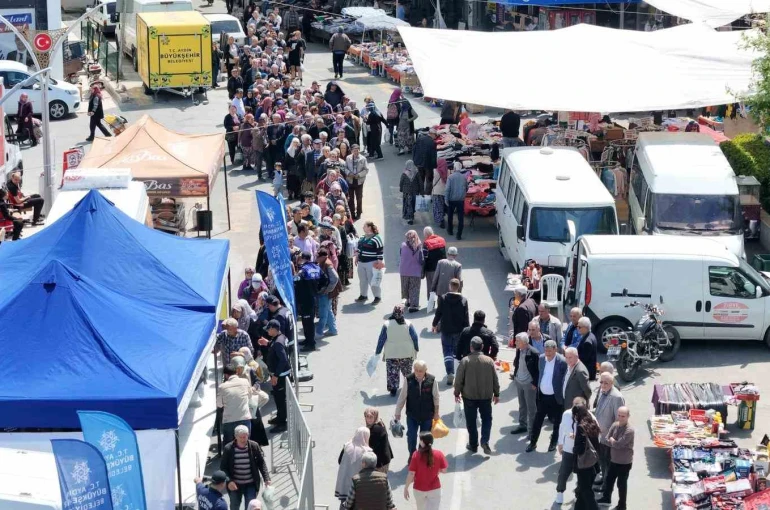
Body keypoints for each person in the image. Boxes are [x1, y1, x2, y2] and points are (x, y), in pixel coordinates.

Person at [454, 337, 500, 455]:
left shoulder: (465, 361)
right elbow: (495, 378)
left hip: (469, 396)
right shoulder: (489, 361)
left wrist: (456, 393)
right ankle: (485, 441)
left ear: (471, 347)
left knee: (471, 421)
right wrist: (497, 393)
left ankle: (473, 445)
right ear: (482, 347)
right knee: (487, 419)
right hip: (486, 396)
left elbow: (458, 380)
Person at [526, 340, 568, 453]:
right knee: (538, 421)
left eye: (550, 351)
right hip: (543, 396)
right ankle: (533, 443)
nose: (547, 353)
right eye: (546, 351)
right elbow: (539, 373)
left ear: (555, 349)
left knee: (557, 422)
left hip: (556, 397)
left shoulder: (562, 361)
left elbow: (564, 379)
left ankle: (553, 442)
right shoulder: (541, 358)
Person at [395, 360, 440, 457]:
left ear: (425, 370)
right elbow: (402, 397)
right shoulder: (408, 380)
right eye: (416, 370)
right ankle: (412, 456)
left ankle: (422, 457)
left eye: (421, 371)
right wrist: (397, 412)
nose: (418, 373)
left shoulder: (432, 380)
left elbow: (436, 398)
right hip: (412, 415)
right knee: (411, 437)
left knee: (425, 439)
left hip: (427, 416)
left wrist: (436, 413)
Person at [220, 425, 271, 510]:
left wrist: (266, 478)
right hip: (235, 484)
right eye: (240, 437)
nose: (243, 439)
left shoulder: (254, 446)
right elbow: (223, 467)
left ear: (248, 435)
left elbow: (261, 463)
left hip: (251, 484)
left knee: (251, 507)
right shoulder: (228, 448)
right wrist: (229, 481)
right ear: (235, 436)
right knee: (234, 507)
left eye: (245, 437)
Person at [376, 303, 420, 395]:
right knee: (407, 372)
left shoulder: (387, 324)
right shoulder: (408, 324)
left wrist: (378, 351)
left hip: (391, 353)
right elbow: (415, 337)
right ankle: (410, 387)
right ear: (402, 313)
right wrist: (416, 348)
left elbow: (381, 339)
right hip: (407, 353)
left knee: (392, 372)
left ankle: (393, 388)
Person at [432, 278, 469, 385]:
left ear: (449, 286)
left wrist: (434, 324)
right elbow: (466, 317)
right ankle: (457, 373)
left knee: (447, 350)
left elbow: (438, 313)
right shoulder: (463, 300)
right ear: (458, 287)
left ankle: (450, 372)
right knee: (456, 351)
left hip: (446, 330)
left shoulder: (443, 298)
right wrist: (467, 330)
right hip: (459, 330)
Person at [593, 372, 625, 491]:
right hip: (600, 435)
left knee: (608, 463)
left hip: (608, 437)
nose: (603, 385)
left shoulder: (617, 397)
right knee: (602, 461)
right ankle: (604, 479)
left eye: (606, 383)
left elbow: (619, 421)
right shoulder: (602, 392)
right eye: (601, 382)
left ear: (612, 383)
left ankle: (607, 487)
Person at [597, 407, 634, 510]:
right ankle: (606, 499)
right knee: (609, 480)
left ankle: (622, 505)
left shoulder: (629, 430)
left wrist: (613, 441)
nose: (620, 418)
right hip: (614, 460)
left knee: (621, 485)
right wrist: (614, 441)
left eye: (623, 416)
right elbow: (606, 439)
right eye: (619, 415)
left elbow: (619, 444)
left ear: (628, 416)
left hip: (624, 463)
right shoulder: (614, 425)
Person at [556, 396, 589, 505]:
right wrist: (560, 443)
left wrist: (578, 437)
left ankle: (578, 494)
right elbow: (562, 428)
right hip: (568, 450)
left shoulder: (589, 416)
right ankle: (560, 492)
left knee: (581, 474)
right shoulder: (566, 414)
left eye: (578, 406)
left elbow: (595, 432)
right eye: (574, 405)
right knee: (563, 473)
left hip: (582, 451)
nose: (575, 408)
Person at [404, 432, 448, 510]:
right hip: (435, 489)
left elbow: (411, 474)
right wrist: (437, 470)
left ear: (422, 442)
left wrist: (406, 488)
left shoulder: (416, 455)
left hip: (419, 489)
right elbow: (444, 470)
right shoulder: (439, 454)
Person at [261, 320, 291, 433]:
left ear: (274, 329)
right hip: (280, 374)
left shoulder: (278, 342)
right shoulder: (281, 337)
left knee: (280, 399)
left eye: (269, 329)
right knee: (279, 398)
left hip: (280, 376)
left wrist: (276, 376)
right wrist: (268, 343)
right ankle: (279, 417)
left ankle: (282, 423)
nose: (267, 331)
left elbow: (283, 360)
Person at [510, 332, 540, 437]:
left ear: (524, 342)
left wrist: (535, 383)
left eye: (517, 341)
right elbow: (517, 363)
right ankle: (522, 425)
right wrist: (516, 376)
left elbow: (538, 370)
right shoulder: (519, 350)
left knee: (531, 409)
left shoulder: (534, 353)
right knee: (522, 406)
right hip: (519, 381)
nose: (515, 342)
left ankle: (532, 431)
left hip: (529, 384)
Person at [572, 404, 601, 510]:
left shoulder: (581, 427)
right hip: (594, 463)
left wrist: (574, 448)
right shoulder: (592, 423)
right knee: (582, 491)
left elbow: (580, 449)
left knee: (586, 491)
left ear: (577, 415)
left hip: (584, 465)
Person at [335, 427, 372, 506]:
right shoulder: (368, 452)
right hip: (359, 485)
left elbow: (339, 461)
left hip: (345, 482)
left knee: (344, 505)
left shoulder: (347, 446)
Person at [218, 366, 253, 445]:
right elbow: (250, 396)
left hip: (229, 420)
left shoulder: (222, 387)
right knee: (245, 443)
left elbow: (219, 404)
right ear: (236, 372)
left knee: (229, 445)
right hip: (245, 417)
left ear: (226, 375)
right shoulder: (245, 381)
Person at [295, 252, 321, 352]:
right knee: (306, 322)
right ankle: (307, 340)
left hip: (305, 300)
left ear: (303, 259)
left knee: (308, 323)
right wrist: (317, 290)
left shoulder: (303, 270)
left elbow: (296, 281)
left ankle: (311, 344)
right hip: (312, 298)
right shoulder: (317, 267)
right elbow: (325, 280)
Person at [355, 221, 384, 304]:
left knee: (373, 280)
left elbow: (380, 252)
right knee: (362, 280)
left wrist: (379, 263)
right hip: (361, 262)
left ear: (369, 227)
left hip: (371, 263)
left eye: (364, 226)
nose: (363, 228)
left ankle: (377, 297)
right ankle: (363, 295)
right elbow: (359, 249)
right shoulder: (362, 237)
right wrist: (356, 257)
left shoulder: (376, 238)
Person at [315, 248, 340, 338]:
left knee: (323, 313)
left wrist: (327, 290)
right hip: (326, 292)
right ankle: (333, 330)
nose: (316, 258)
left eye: (317, 256)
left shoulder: (327, 264)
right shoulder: (324, 262)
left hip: (325, 293)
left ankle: (319, 332)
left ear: (322, 257)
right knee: (328, 311)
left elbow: (335, 278)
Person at [399, 230, 424, 311]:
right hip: (415, 271)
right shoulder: (419, 246)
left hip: (404, 270)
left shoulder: (403, 245)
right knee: (414, 288)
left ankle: (407, 301)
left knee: (405, 286)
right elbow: (421, 259)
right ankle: (414, 306)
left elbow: (401, 254)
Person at [364, 408, 394, 473]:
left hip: (381, 462)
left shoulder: (376, 429)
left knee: (379, 478)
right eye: (367, 416)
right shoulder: (378, 423)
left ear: (375, 417)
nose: (369, 419)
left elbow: (370, 446)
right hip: (382, 459)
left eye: (371, 417)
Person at [563, 347, 592, 411]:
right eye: (566, 357)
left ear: (577, 356)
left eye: (570, 357)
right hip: (567, 402)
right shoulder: (570, 365)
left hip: (576, 407)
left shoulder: (580, 371)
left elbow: (587, 391)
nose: (568, 360)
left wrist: (584, 404)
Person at [444, 163, 468, 240]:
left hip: (451, 199)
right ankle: (459, 234)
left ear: (454, 168)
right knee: (460, 217)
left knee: (450, 216)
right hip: (461, 200)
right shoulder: (464, 177)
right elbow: (466, 188)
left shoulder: (450, 177)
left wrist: (446, 199)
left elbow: (447, 189)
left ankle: (450, 230)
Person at [422, 227, 446, 300]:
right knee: (440, 287)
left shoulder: (426, 243)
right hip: (442, 268)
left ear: (426, 234)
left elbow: (424, 258)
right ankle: (441, 303)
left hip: (431, 269)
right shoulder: (442, 240)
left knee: (431, 287)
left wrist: (423, 271)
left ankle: (431, 303)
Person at [345, 144, 368, 219]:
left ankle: (359, 213)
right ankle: (352, 213)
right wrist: (349, 173)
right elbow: (345, 168)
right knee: (351, 198)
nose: (356, 152)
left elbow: (366, 170)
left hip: (359, 181)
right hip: (350, 180)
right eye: (354, 151)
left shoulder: (363, 159)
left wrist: (359, 175)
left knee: (359, 198)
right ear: (352, 151)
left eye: (357, 150)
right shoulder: (348, 158)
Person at [412, 128, 437, 194]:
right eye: (435, 135)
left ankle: (420, 194)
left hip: (419, 163)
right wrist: (434, 165)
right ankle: (427, 195)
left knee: (420, 179)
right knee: (429, 180)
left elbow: (414, 149)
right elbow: (433, 155)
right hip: (428, 164)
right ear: (432, 134)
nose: (435, 137)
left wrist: (414, 160)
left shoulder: (419, 139)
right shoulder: (432, 142)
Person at [576, 317, 598, 381]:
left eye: (579, 327)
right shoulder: (590, 335)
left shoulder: (587, 342)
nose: (577, 328)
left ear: (585, 328)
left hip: (586, 372)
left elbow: (584, 359)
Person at [399, 160, 421, 225]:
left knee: (408, 205)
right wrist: (421, 191)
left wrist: (401, 189)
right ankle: (411, 215)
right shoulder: (416, 172)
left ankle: (410, 218)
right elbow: (420, 182)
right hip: (415, 192)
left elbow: (401, 182)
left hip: (407, 192)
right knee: (413, 204)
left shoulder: (404, 174)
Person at [432, 159, 448, 228]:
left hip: (437, 192)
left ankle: (440, 220)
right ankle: (442, 218)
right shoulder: (447, 171)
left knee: (438, 206)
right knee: (443, 205)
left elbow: (433, 182)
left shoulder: (435, 171)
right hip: (444, 191)